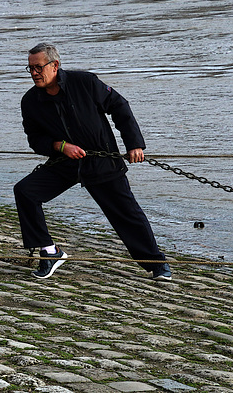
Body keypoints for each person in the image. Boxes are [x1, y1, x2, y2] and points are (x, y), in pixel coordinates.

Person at [14, 43, 172, 281]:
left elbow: (119, 106)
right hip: (64, 163)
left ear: (54, 65)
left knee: (126, 214)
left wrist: (134, 144)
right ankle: (49, 251)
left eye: (38, 67)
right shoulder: (30, 101)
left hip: (101, 162)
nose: (34, 73)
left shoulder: (85, 83)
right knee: (25, 192)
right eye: (30, 68)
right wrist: (59, 146)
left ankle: (156, 264)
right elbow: (35, 139)